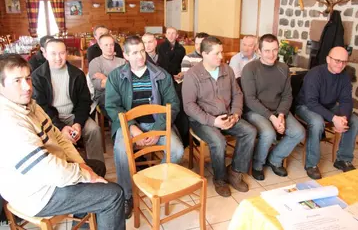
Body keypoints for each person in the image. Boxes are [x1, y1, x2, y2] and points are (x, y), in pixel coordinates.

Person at [0, 54, 125, 230]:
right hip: (35, 193)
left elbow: (58, 137)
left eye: (28, 78)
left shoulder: (30, 104)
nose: (27, 86)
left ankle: (83, 222)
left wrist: (82, 166)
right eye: (17, 81)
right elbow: (47, 169)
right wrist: (86, 175)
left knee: (97, 166)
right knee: (114, 194)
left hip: (48, 175)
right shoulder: (8, 121)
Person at [105, 36, 184, 219]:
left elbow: (173, 104)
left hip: (157, 122)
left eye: (141, 50)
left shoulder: (161, 74)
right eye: (134, 53)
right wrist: (133, 128)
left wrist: (158, 130)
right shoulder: (116, 76)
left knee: (177, 151)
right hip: (130, 126)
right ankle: (127, 195)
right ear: (125, 55)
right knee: (122, 150)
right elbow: (112, 107)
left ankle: (157, 184)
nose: (140, 56)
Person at [182, 36, 256, 197]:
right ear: (204, 54)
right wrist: (213, 121)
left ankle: (235, 172)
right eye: (217, 54)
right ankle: (220, 179)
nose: (221, 57)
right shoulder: (192, 75)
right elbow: (189, 106)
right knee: (218, 141)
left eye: (221, 52)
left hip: (227, 115)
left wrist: (236, 114)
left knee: (250, 131)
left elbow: (237, 94)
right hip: (203, 120)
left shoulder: (227, 70)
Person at [241, 34, 305, 181]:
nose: (272, 55)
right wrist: (272, 118)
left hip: (278, 110)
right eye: (267, 51)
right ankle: (257, 165)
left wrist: (281, 115)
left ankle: (275, 159)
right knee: (268, 133)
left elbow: (287, 96)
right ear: (259, 51)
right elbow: (250, 100)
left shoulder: (283, 68)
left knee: (298, 132)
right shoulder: (250, 68)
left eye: (275, 50)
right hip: (255, 111)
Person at [31, 39, 105, 163]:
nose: (58, 58)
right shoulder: (37, 76)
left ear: (67, 53)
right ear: (45, 54)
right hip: (50, 119)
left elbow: (84, 101)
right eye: (53, 54)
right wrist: (61, 127)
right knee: (49, 138)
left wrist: (78, 123)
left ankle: (97, 169)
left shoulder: (77, 74)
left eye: (62, 53)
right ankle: (65, 170)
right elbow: (42, 107)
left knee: (94, 130)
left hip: (73, 115)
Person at [295, 46, 357, 179]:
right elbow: (311, 102)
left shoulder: (344, 77)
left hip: (328, 106)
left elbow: (346, 101)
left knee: (354, 120)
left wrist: (343, 119)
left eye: (344, 62)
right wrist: (334, 118)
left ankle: (343, 159)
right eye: (337, 60)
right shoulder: (315, 74)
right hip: (305, 106)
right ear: (328, 59)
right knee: (317, 122)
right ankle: (311, 165)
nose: (340, 65)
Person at [89, 34, 126, 119]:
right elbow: (99, 86)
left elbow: (127, 82)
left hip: (123, 95)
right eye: (106, 45)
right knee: (119, 115)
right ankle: (123, 126)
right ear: (100, 46)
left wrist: (106, 78)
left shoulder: (122, 62)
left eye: (111, 45)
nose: (109, 47)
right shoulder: (95, 62)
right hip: (104, 97)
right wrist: (118, 80)